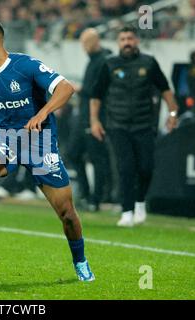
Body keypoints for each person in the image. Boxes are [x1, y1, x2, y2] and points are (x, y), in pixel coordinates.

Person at [0, 17, 94, 282]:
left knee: (67, 213)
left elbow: (66, 89)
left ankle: (80, 262)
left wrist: (42, 113)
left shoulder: (25, 65)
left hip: (39, 142)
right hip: (5, 139)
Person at [90, 26, 179, 227]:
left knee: (146, 168)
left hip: (144, 123)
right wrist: (94, 121)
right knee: (125, 168)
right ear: (118, 42)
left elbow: (166, 90)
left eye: (130, 38)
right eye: (122, 39)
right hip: (117, 125)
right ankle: (127, 211)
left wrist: (173, 114)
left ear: (136, 40)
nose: (126, 42)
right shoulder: (109, 64)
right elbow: (96, 96)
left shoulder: (148, 63)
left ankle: (140, 202)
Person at [66, 28, 113, 211]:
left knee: (97, 158)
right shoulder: (94, 61)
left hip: (96, 118)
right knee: (73, 153)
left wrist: (78, 88)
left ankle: (96, 199)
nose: (84, 47)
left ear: (95, 41)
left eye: (86, 43)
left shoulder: (103, 61)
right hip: (84, 116)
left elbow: (98, 91)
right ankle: (86, 194)